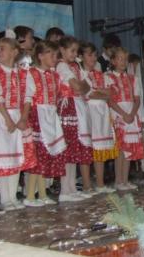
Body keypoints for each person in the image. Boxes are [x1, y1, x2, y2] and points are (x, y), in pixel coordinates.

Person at [0, 37, 37, 210]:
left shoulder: (23, 73)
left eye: (2, 48)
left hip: (18, 115)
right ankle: (5, 198)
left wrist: (23, 118)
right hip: (1, 116)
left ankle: (13, 196)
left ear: (14, 52)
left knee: (16, 155)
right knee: (3, 156)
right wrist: (8, 120)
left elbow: (28, 97)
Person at [23, 40, 66, 207]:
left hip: (50, 116)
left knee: (45, 156)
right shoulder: (32, 73)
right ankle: (30, 195)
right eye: (51, 54)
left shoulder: (55, 75)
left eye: (56, 55)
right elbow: (28, 97)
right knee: (38, 156)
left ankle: (42, 193)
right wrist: (24, 118)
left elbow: (58, 96)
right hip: (38, 116)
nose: (55, 58)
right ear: (40, 56)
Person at [56, 36, 93, 202]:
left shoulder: (75, 66)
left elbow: (87, 86)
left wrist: (81, 86)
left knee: (73, 149)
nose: (74, 54)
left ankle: (71, 188)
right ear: (62, 50)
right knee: (68, 148)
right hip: (68, 107)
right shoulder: (61, 65)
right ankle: (65, 190)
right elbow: (78, 87)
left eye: (76, 51)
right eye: (71, 50)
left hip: (77, 106)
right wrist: (81, 86)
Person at [79, 42, 117, 193]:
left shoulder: (99, 74)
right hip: (88, 111)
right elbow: (88, 94)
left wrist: (98, 92)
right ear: (81, 56)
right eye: (89, 55)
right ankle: (87, 185)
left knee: (99, 148)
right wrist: (100, 92)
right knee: (87, 148)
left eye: (95, 55)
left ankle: (100, 184)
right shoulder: (80, 74)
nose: (93, 58)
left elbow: (110, 93)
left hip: (101, 112)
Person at [105, 46, 144, 190]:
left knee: (129, 148)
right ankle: (118, 180)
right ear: (113, 61)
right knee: (120, 149)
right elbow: (110, 100)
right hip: (118, 114)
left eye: (125, 59)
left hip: (131, 113)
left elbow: (137, 99)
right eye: (120, 59)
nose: (123, 62)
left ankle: (125, 180)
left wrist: (132, 114)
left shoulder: (133, 78)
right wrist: (124, 114)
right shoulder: (108, 77)